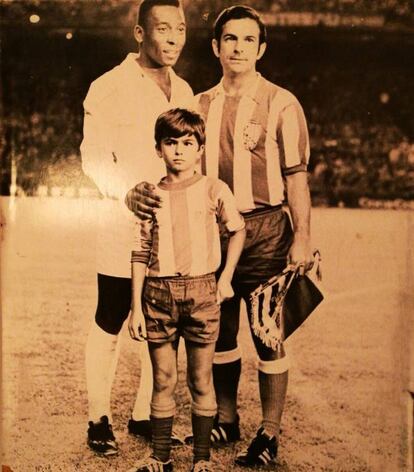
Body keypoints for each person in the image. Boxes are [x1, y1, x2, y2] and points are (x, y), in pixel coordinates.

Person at [125, 5, 314, 468]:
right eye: (230, 39)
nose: (238, 48)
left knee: (268, 331)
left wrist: (302, 236)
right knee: (219, 330)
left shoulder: (282, 102)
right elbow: (178, 164)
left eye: (248, 40)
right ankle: (225, 418)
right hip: (214, 231)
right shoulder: (199, 106)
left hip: (267, 228)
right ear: (215, 47)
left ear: (261, 48)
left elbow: (296, 177)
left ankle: (269, 432)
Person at [80, 0, 194, 456]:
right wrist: (124, 190)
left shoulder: (185, 90)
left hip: (174, 224)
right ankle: (98, 418)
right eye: (162, 28)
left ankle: (146, 413)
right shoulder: (107, 86)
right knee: (111, 314)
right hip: (121, 220)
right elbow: (91, 158)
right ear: (140, 34)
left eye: (180, 29)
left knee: (166, 319)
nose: (173, 38)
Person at [126, 108, 246, 472]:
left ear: (200, 148)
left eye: (187, 143)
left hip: (202, 292)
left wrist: (225, 278)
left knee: (200, 379)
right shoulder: (151, 196)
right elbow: (139, 253)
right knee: (163, 378)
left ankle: (202, 460)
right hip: (158, 295)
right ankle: (159, 457)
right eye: (170, 142)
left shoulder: (214, 189)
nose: (178, 150)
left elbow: (237, 229)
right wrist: (135, 307)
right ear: (158, 148)